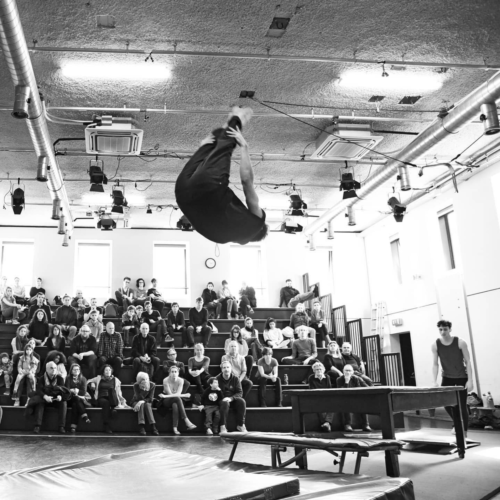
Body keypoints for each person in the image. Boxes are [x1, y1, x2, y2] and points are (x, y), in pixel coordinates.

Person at [175, 107, 268, 245]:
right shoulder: (221, 238)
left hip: (208, 188)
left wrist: (244, 147)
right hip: (182, 194)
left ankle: (237, 117)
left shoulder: (256, 223)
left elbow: (246, 181)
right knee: (210, 144)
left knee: (227, 143)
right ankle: (207, 145)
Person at [431, 319, 473, 435]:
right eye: (440, 329)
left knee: (461, 405)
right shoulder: (435, 345)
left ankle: (464, 432)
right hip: (447, 377)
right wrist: (434, 381)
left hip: (461, 377)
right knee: (445, 402)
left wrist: (470, 380)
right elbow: (435, 364)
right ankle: (457, 423)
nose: (443, 332)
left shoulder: (460, 342)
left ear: (450, 329)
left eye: (445, 329)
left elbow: (468, 361)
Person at [26, 361, 69, 433]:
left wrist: (60, 396)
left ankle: (61, 426)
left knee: (63, 403)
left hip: (55, 399)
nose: (54, 370)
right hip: (45, 399)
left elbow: (62, 389)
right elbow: (39, 391)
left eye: (55, 368)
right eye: (51, 368)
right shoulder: (42, 378)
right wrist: (45, 396)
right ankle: (37, 426)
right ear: (47, 369)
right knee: (39, 403)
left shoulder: (60, 378)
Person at [88, 364, 128, 434]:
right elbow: (88, 381)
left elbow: (119, 392)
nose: (108, 371)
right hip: (101, 398)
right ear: (103, 372)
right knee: (106, 403)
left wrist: (122, 401)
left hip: (112, 397)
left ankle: (113, 408)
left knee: (111, 390)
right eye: (106, 370)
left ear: (111, 371)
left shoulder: (116, 380)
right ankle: (107, 424)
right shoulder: (98, 378)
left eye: (109, 370)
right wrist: (92, 383)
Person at [158, 365, 197, 435]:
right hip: (167, 400)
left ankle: (175, 428)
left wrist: (180, 395)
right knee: (177, 398)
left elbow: (178, 394)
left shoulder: (181, 380)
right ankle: (186, 420)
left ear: (178, 373)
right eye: (172, 372)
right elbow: (170, 395)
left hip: (175, 400)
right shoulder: (165, 380)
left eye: (175, 372)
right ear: (169, 373)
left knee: (175, 405)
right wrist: (184, 395)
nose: (174, 373)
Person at [336, 364, 372, 432]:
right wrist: (346, 382)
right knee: (346, 403)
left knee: (363, 404)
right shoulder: (339, 379)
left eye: (349, 371)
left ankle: (366, 425)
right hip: (345, 398)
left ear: (352, 372)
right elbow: (341, 392)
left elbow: (359, 389)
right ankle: (347, 425)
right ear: (343, 371)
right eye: (346, 370)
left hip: (355, 397)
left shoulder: (356, 378)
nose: (348, 372)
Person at [217, 360, 247, 433]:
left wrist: (231, 398)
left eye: (228, 367)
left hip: (233, 399)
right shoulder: (217, 379)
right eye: (224, 368)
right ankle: (223, 426)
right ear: (221, 369)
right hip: (222, 399)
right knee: (225, 402)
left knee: (242, 401)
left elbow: (240, 392)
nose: (226, 369)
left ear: (231, 368)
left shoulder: (236, 378)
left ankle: (240, 425)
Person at [308, 361, 335, 432]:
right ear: (314, 371)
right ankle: (327, 423)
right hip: (316, 397)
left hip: (326, 397)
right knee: (318, 404)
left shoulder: (327, 377)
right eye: (317, 369)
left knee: (333, 404)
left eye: (320, 369)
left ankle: (326, 423)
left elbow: (329, 389)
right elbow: (312, 390)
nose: (319, 370)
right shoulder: (311, 378)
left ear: (323, 370)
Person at [65, 363, 91, 433]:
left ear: (80, 371)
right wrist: (72, 390)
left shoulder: (83, 379)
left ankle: (73, 427)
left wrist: (78, 391)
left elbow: (83, 392)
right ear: (71, 371)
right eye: (74, 370)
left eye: (78, 369)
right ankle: (84, 416)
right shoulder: (68, 378)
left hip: (80, 399)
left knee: (75, 404)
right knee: (76, 399)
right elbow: (67, 390)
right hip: (70, 399)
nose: (76, 371)